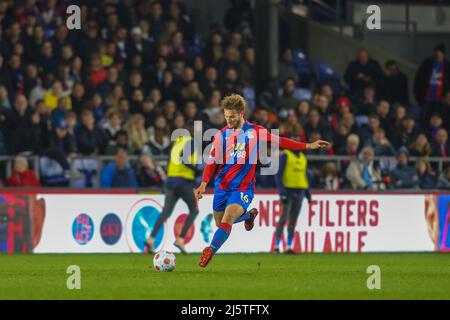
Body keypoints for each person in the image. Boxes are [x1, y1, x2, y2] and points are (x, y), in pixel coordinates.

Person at [194, 94, 330, 268]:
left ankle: (210, 250)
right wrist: (204, 183)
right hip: (222, 186)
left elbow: (281, 142)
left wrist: (308, 145)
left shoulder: (256, 132)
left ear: (242, 113)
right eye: (226, 116)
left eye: (232, 117)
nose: (228, 120)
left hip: (243, 188)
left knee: (228, 217)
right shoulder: (221, 135)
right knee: (220, 223)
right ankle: (249, 215)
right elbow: (212, 161)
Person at [144, 126, 200, 254]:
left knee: (166, 212)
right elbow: (184, 158)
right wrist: (196, 170)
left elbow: (171, 161)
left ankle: (151, 238)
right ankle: (180, 239)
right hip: (183, 182)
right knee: (194, 210)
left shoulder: (177, 143)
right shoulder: (191, 142)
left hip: (170, 182)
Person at [274, 148, 311, 254]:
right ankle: (277, 246)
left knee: (293, 221)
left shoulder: (303, 157)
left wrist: (308, 194)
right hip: (288, 191)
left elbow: (304, 176)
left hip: (300, 191)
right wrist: (282, 191)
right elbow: (279, 174)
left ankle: (289, 246)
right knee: (284, 218)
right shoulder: (285, 156)